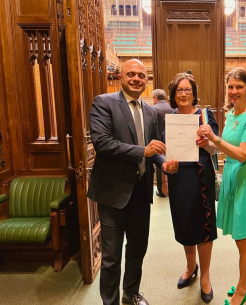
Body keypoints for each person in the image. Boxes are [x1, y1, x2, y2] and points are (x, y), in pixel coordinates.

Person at [87, 59, 178, 305]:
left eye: (141, 75)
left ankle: (131, 293)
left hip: (140, 192)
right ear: (120, 77)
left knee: (137, 249)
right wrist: (143, 151)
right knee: (112, 256)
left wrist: (163, 163)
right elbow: (102, 143)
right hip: (112, 193)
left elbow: (154, 147)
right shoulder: (104, 103)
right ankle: (111, 302)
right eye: (131, 74)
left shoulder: (150, 111)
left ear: (146, 80)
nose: (136, 79)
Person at [198, 67, 246, 305]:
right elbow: (224, 148)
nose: (234, 91)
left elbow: (242, 154)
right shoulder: (231, 114)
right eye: (230, 86)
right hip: (232, 176)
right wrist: (208, 145)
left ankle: (243, 291)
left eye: (239, 86)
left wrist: (214, 139)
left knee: (245, 237)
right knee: (239, 236)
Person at [165, 72, 219, 304]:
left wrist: (208, 142)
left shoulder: (206, 115)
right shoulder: (169, 118)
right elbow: (162, 151)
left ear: (194, 93)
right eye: (180, 90)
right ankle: (190, 267)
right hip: (178, 177)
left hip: (201, 179)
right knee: (184, 222)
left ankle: (205, 276)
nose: (184, 94)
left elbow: (217, 148)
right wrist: (165, 173)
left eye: (188, 90)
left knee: (204, 226)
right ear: (173, 95)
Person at [152, 89, 173, 197]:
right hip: (173, 140)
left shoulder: (152, 109)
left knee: (161, 164)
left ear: (155, 98)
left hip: (159, 141)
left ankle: (161, 190)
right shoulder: (173, 108)